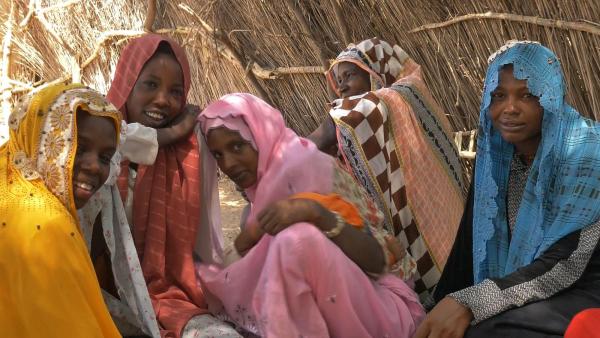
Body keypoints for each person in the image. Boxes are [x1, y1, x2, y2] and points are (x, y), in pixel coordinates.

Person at [196, 93, 425, 337]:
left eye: (237, 146)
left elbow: (377, 261)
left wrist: (315, 213)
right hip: (333, 306)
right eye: (218, 154)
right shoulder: (261, 195)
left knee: (295, 240)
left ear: (260, 137)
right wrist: (249, 238)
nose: (228, 164)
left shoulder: (308, 167)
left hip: (380, 308)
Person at [417, 41, 600, 338]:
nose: (510, 108)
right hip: (523, 289)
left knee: (489, 331)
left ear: (550, 98)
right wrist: (440, 305)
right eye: (498, 96)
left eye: (527, 95)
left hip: (583, 288)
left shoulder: (587, 154)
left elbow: (566, 263)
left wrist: (473, 302)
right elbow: (467, 248)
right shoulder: (496, 161)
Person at [309, 38, 466, 301]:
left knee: (443, 280)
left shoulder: (397, 96)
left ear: (376, 73)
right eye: (338, 80)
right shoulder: (397, 99)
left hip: (434, 211)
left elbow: (331, 129)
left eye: (350, 75)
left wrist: (278, 153)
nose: (342, 86)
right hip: (419, 216)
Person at [103, 33, 236, 337]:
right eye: (150, 84)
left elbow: (199, 240)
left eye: (176, 91)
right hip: (102, 292)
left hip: (170, 297)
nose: (163, 100)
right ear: (127, 84)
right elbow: (124, 141)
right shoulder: (96, 143)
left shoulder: (188, 151)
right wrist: (175, 130)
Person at [0, 83, 121, 337]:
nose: (95, 167)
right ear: (42, 139)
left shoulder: (8, 181)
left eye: (105, 157)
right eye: (79, 146)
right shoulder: (46, 226)